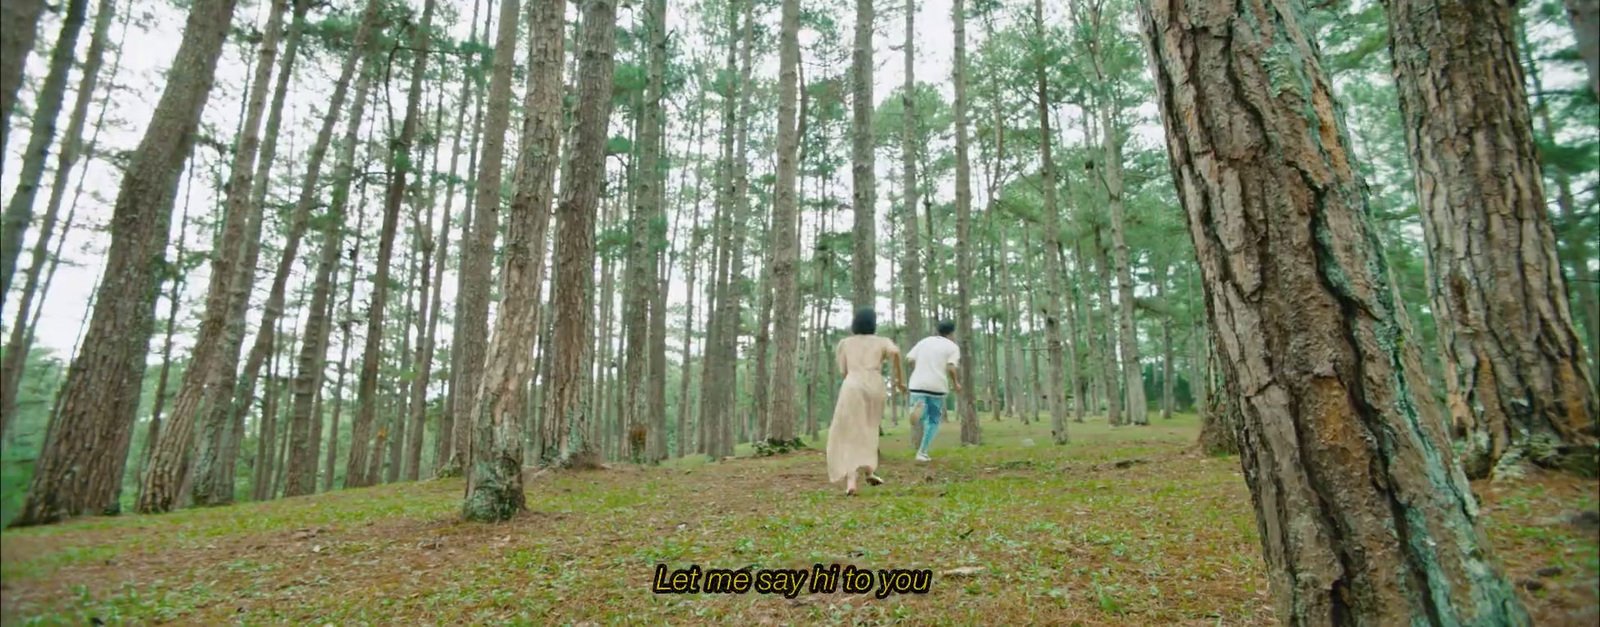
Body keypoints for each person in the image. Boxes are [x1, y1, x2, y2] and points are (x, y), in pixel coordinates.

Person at [827, 307, 905, 496]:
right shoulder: (882, 341)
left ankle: (851, 481)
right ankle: (870, 470)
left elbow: (843, 371)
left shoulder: (845, 343)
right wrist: (899, 380)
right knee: (870, 427)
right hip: (875, 384)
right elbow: (896, 353)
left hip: (853, 384)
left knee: (851, 431)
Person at [906, 320, 961, 462]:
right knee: (934, 420)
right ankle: (922, 452)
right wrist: (956, 383)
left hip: (917, 383)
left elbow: (910, 360)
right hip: (937, 386)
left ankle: (916, 409)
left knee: (921, 409)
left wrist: (920, 369)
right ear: (951, 333)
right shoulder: (952, 347)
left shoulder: (924, 342)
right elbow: (951, 367)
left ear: (937, 330)